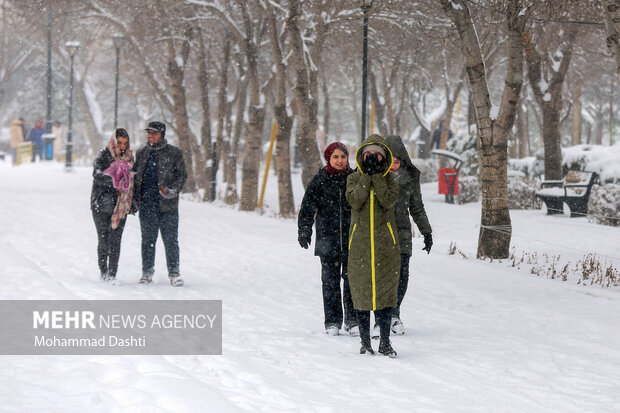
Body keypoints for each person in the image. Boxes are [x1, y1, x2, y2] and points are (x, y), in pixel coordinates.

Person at [346, 134, 400, 357]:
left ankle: (385, 342)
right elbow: (355, 200)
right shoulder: (353, 179)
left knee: (385, 295)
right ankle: (365, 342)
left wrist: (377, 177)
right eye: (369, 154)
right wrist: (366, 178)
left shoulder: (390, 181)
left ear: (383, 157)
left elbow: (387, 200)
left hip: (386, 247)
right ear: (361, 156)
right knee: (362, 293)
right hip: (359, 246)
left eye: (377, 154)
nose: (372, 158)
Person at [298, 142, 358, 336]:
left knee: (352, 281)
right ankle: (332, 321)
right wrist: (304, 230)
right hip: (328, 239)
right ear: (328, 159)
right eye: (335, 157)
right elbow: (307, 208)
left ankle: (353, 320)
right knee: (330, 282)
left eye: (343, 157)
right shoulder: (320, 180)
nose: (340, 160)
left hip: (352, 239)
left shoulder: (354, 178)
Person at [385, 135, 433, 336]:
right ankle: (381, 315)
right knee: (382, 275)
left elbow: (417, 207)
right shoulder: (375, 176)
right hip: (380, 233)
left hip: (402, 232)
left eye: (397, 161)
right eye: (390, 161)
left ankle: (395, 313)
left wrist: (426, 231)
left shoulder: (410, 178)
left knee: (401, 275)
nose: (393, 166)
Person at [133, 121, 187, 287]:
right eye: (148, 133)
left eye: (154, 133)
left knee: (171, 240)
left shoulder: (174, 153)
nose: (150, 136)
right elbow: (135, 176)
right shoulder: (141, 152)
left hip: (167, 206)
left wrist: (171, 191)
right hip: (146, 205)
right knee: (147, 240)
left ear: (162, 134)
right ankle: (147, 273)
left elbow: (182, 176)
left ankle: (174, 273)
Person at [90, 128, 135, 284]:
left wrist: (132, 201)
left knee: (115, 240)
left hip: (120, 206)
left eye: (125, 143)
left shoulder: (129, 158)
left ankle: (112, 273)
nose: (122, 146)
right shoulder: (103, 156)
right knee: (104, 239)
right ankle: (103, 272)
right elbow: (97, 175)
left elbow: (133, 182)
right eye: (119, 142)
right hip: (101, 204)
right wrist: (116, 178)